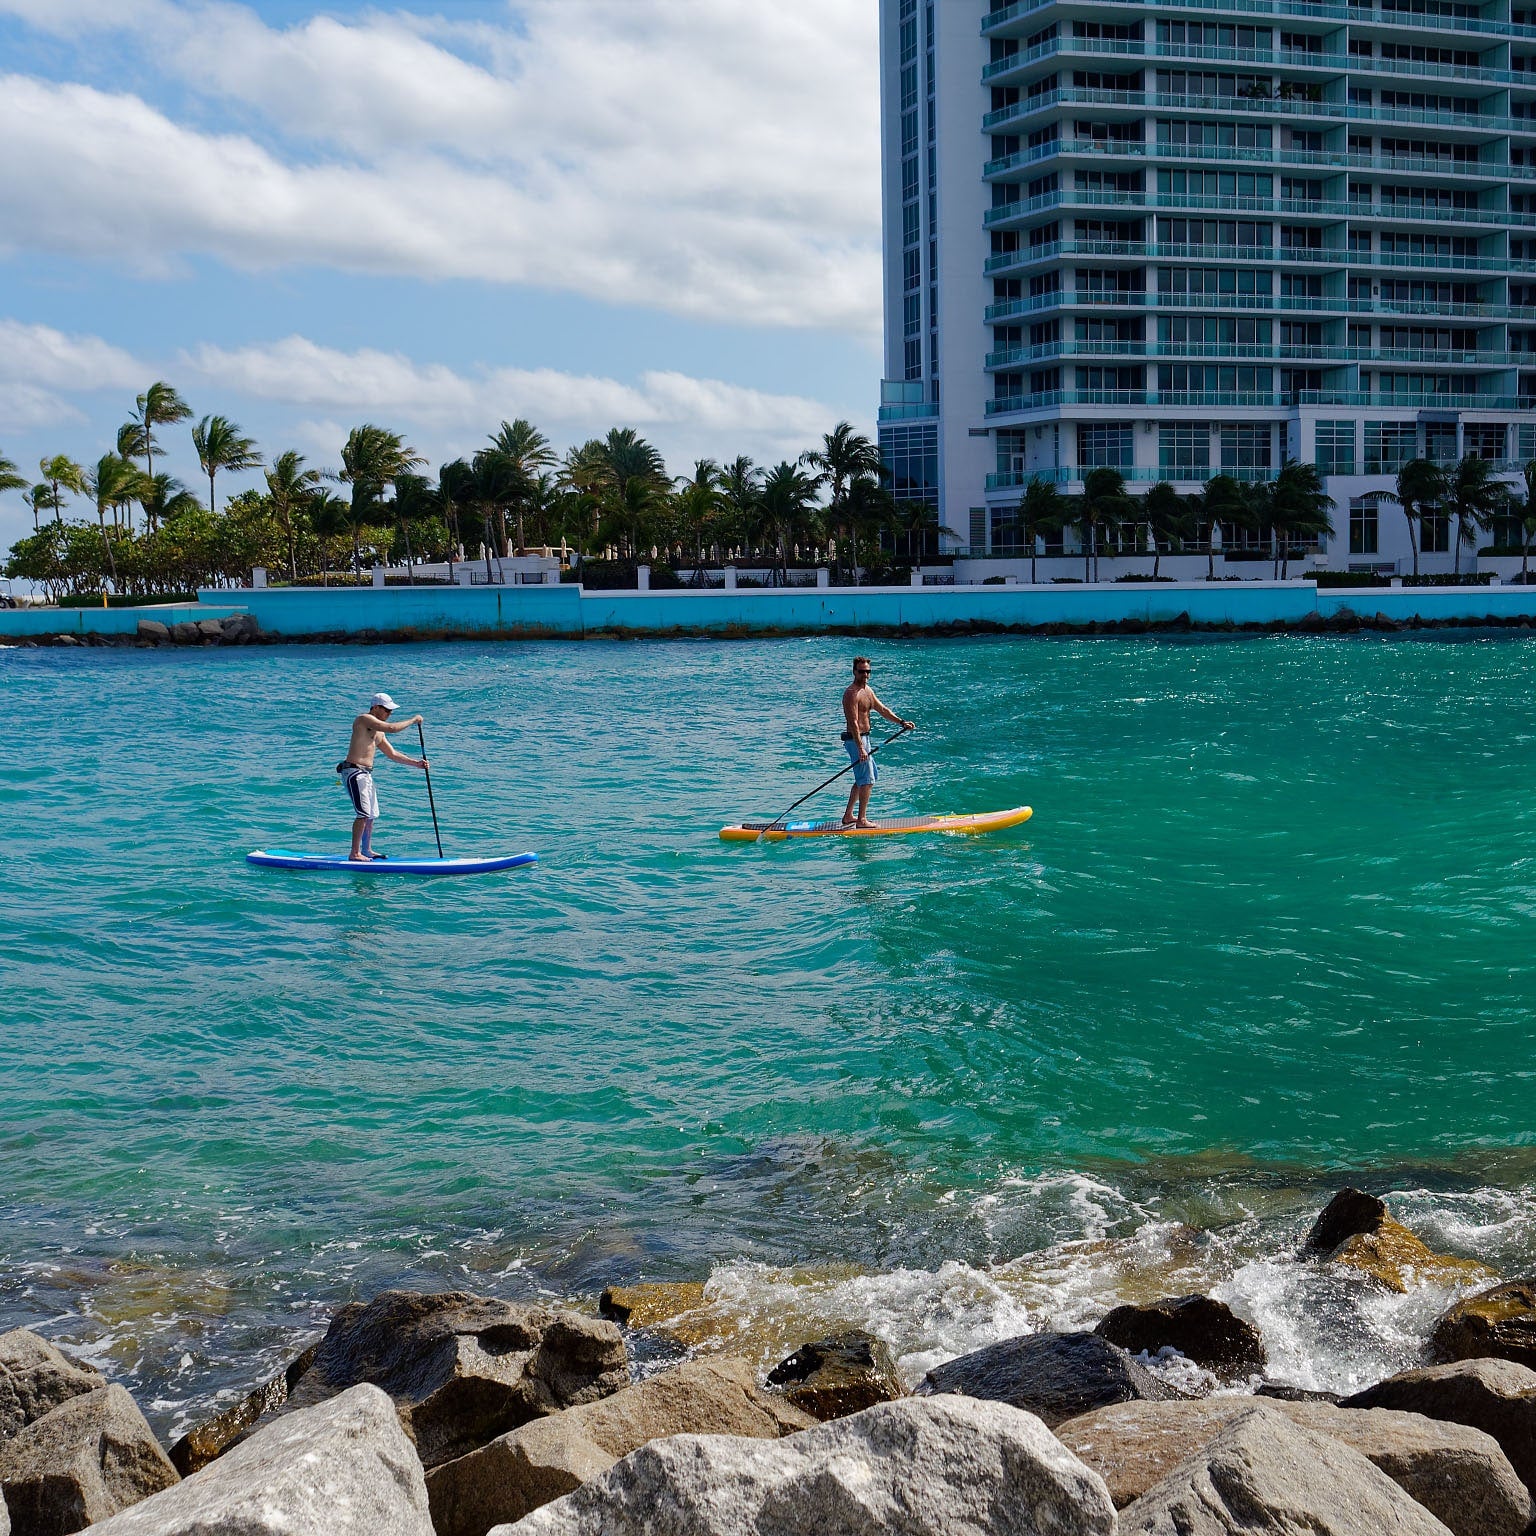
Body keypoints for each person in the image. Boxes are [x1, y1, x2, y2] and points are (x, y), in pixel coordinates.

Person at [337, 692, 428, 861]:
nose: (389, 713)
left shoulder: (379, 732)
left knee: (371, 815)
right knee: (363, 813)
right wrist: (414, 720)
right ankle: (354, 853)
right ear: (375, 707)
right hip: (354, 772)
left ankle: (366, 850)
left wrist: (416, 764)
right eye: (386, 710)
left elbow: (392, 754)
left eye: (391, 711)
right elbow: (392, 728)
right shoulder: (363, 719)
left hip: (366, 774)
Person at [841, 657, 914, 828]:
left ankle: (848, 816)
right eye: (861, 671)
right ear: (854, 672)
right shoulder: (851, 694)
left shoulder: (868, 691)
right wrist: (860, 748)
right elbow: (853, 723)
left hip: (864, 739)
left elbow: (883, 710)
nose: (865, 675)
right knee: (867, 780)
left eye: (868, 671)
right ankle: (862, 820)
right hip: (856, 740)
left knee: (865, 777)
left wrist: (901, 722)